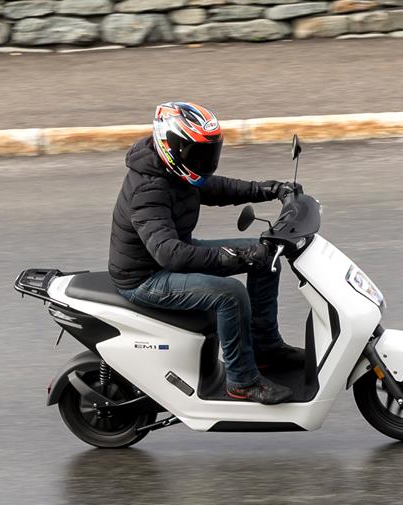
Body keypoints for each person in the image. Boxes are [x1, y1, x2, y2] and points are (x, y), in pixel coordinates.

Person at [108, 101, 303, 405]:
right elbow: (170, 255)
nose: (205, 160)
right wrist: (232, 258)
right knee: (230, 294)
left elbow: (215, 188)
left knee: (267, 257)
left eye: (208, 151)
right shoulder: (149, 189)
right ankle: (242, 381)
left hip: (171, 256)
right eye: (197, 152)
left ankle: (265, 348)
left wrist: (270, 189)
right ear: (172, 146)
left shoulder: (176, 171)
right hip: (147, 278)